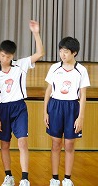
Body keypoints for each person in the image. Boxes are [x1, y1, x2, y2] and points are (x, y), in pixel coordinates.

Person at [0, 20, 44, 186]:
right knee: (4, 144)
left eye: (8, 57)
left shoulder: (21, 65)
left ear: (13, 56)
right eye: (3, 56)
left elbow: (40, 53)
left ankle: (25, 178)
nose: (5, 59)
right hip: (2, 109)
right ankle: (8, 176)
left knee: (22, 142)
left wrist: (36, 33)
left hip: (19, 107)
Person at [44, 37, 90, 186]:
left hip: (72, 108)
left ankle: (67, 179)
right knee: (56, 143)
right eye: (61, 51)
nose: (62, 54)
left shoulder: (81, 70)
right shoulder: (54, 68)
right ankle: (55, 178)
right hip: (55, 106)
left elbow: (83, 95)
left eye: (66, 51)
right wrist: (45, 112)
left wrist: (80, 117)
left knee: (69, 144)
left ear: (74, 53)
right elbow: (48, 91)